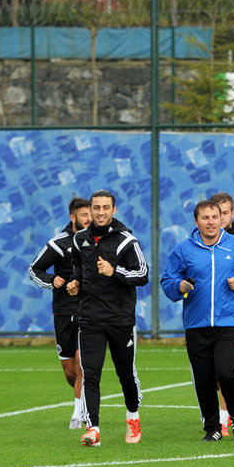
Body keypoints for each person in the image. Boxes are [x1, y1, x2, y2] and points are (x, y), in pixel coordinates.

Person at [161, 200, 234, 441]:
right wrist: (180, 286)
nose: (211, 222)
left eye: (215, 217)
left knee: (226, 373)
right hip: (197, 323)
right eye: (205, 218)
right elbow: (168, 280)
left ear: (222, 219)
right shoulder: (183, 250)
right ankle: (213, 427)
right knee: (203, 378)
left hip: (231, 321)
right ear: (196, 222)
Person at [66, 189, 148, 447]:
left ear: (114, 210)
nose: (100, 212)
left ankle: (133, 416)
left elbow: (142, 274)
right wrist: (75, 283)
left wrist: (115, 272)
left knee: (126, 375)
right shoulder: (80, 240)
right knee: (90, 373)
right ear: (90, 210)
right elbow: (79, 269)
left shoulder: (127, 240)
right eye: (96, 207)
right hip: (90, 319)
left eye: (105, 207)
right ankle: (93, 428)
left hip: (120, 319)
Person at [28, 196, 91, 429]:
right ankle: (85, 396)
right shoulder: (58, 243)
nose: (89, 218)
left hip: (87, 310)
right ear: (73, 217)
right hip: (63, 311)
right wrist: (51, 280)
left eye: (90, 214)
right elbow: (34, 269)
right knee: (70, 371)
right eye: (84, 215)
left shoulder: (96, 240)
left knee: (82, 364)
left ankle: (78, 414)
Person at [209, 191, 234, 435]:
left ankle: (226, 419)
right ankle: (220, 416)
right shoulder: (194, 245)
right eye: (216, 214)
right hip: (206, 318)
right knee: (215, 373)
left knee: (227, 371)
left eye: (224, 213)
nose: (219, 219)